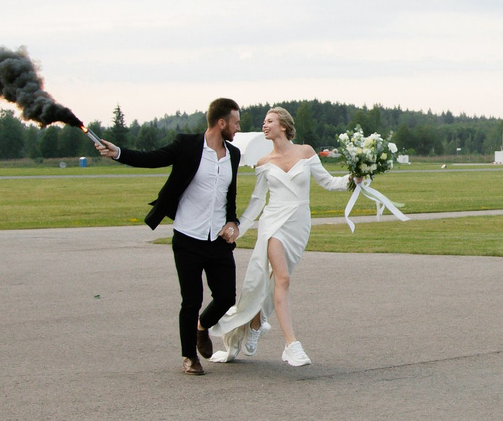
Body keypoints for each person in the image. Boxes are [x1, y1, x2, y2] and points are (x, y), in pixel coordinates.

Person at [91, 98, 244, 376]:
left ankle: (202, 327)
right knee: (191, 300)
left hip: (218, 239)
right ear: (221, 123)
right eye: (236, 122)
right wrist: (119, 153)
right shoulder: (187, 146)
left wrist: (233, 222)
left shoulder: (233, 154)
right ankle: (189, 357)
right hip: (188, 236)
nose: (238, 128)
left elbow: (229, 196)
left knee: (225, 297)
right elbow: (152, 158)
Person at [208, 106, 349, 369]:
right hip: (273, 223)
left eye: (269, 121)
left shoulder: (306, 152)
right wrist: (239, 227)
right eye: (264, 122)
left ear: (283, 126)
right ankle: (291, 345)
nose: (265, 125)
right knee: (282, 278)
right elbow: (257, 201)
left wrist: (355, 179)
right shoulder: (263, 164)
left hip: (299, 224)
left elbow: (329, 183)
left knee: (276, 283)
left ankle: (254, 323)